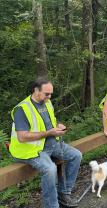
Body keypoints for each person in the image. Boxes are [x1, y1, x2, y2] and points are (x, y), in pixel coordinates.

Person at [9, 77, 82, 208]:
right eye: (46, 94)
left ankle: (64, 194)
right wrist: (49, 133)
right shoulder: (22, 109)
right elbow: (22, 137)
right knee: (50, 169)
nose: (49, 97)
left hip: (52, 144)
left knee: (76, 156)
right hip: (32, 150)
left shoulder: (47, 103)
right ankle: (52, 205)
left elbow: (49, 123)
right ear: (36, 90)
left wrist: (58, 126)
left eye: (51, 94)